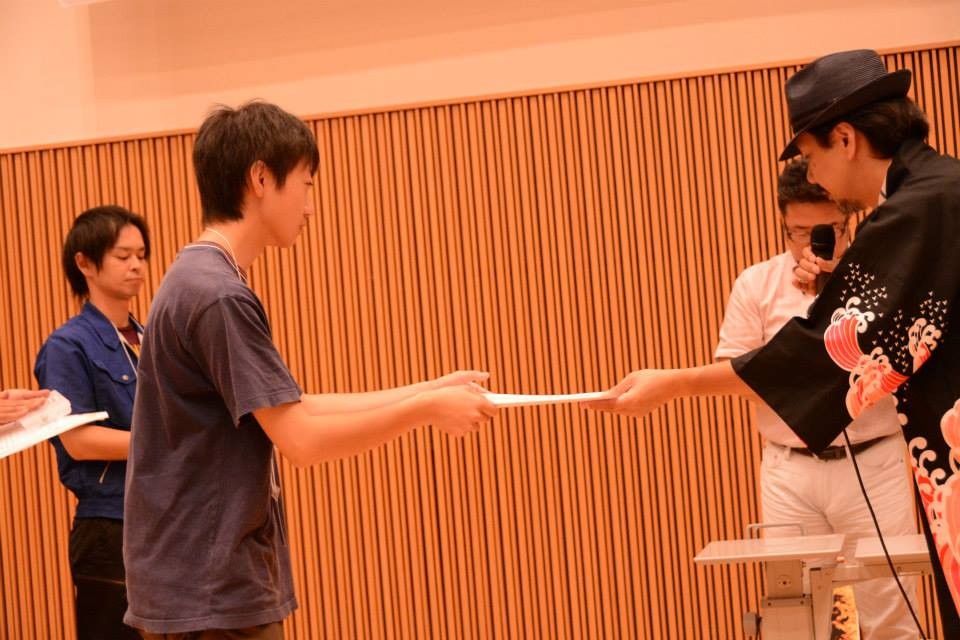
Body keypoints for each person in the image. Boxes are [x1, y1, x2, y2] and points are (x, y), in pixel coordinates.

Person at [587, 49, 960, 631]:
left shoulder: (921, 207)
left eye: (811, 156)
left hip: (893, 452)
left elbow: (826, 355)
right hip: (794, 465)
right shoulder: (936, 190)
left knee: (889, 612)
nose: (814, 176)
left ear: (845, 138)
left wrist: (674, 384)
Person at [123, 100, 498, 638]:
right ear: (260, 179)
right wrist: (425, 410)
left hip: (200, 583)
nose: (310, 206)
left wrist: (428, 389)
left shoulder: (201, 278)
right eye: (306, 184)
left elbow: (293, 407)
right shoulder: (217, 295)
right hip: (210, 592)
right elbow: (302, 440)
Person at [715, 159, 917, 637]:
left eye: (825, 232)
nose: (811, 245)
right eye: (799, 233)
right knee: (794, 614)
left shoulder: (880, 276)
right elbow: (732, 373)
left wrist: (842, 284)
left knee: (890, 610)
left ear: (847, 220)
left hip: (875, 460)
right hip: (790, 469)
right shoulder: (756, 284)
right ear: (784, 224)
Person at [34, 205, 150, 640]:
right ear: (84, 262)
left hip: (167, 518)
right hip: (109, 525)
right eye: (123, 256)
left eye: (141, 255)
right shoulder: (67, 346)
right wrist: (166, 442)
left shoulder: (152, 338)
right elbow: (79, 441)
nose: (136, 265)